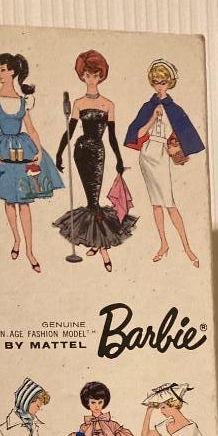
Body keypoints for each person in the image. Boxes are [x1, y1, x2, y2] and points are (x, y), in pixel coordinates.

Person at [0, 52, 63, 272]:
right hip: (1, 150)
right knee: (9, 199)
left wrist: (39, 151)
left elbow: (31, 129)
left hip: (22, 150)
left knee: (24, 201)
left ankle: (30, 251)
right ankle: (16, 240)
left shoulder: (23, 101)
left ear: (13, 71)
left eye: (3, 70)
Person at [53, 50, 136, 271]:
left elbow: (112, 136)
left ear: (101, 76)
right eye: (87, 75)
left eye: (95, 75)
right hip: (81, 151)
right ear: (82, 76)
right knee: (92, 200)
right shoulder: (78, 103)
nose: (91, 79)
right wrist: (59, 153)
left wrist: (119, 159)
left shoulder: (108, 104)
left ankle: (100, 246)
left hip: (98, 151)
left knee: (94, 199)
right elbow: (70, 131)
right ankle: (99, 245)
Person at [125, 59, 205, 266]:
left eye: (163, 82)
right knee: (156, 204)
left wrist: (177, 149)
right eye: (156, 82)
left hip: (161, 156)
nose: (159, 86)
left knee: (169, 203)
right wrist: (153, 117)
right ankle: (163, 243)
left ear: (169, 83)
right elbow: (138, 134)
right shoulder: (148, 107)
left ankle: (187, 247)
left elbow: (186, 135)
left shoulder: (175, 109)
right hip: (146, 155)